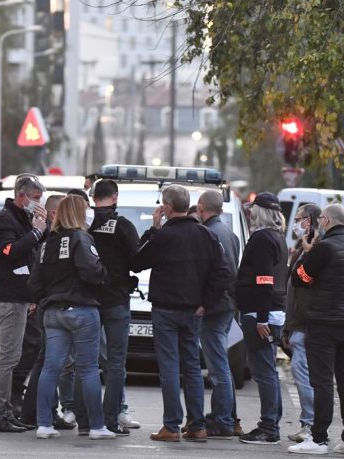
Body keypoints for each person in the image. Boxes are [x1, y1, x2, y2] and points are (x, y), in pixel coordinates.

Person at [132, 184, 231, 442]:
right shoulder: (206, 235)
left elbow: (136, 262)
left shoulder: (163, 236)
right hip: (193, 311)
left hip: (165, 310)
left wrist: (154, 228)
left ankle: (172, 426)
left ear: (166, 207)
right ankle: (197, 425)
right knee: (192, 368)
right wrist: (206, 302)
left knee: (169, 368)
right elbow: (223, 273)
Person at [29, 195, 114, 440]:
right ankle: (97, 426)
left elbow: (34, 283)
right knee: (87, 369)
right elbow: (91, 271)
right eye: (85, 209)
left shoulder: (47, 244)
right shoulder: (81, 237)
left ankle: (44, 424)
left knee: (50, 367)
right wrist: (103, 274)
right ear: (78, 213)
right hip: (81, 310)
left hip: (53, 312)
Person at [288, 204, 344, 455]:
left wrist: (309, 254)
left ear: (329, 221)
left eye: (322, 218)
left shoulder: (325, 248)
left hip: (323, 322)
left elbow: (300, 278)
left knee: (321, 381)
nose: (319, 221)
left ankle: (319, 439)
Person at [0, 175, 47, 433]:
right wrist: (36, 232)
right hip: (9, 296)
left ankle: (7, 411)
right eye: (34, 199)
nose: (37, 203)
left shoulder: (20, 218)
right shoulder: (4, 219)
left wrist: (39, 231)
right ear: (21, 195)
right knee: (9, 357)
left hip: (19, 295)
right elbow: (9, 252)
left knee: (14, 355)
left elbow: (30, 253)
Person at [84, 179, 140, 435]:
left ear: (93, 197)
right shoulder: (123, 226)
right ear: (115, 197)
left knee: (86, 363)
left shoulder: (83, 224)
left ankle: (86, 421)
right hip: (116, 299)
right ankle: (110, 420)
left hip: (86, 300)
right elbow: (138, 261)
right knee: (116, 364)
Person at [235, 192, 287, 445]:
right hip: (271, 311)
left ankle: (268, 427)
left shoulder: (262, 239)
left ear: (260, 212)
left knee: (263, 372)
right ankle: (272, 422)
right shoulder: (277, 237)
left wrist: (262, 319)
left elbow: (264, 279)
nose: (250, 212)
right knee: (268, 372)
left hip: (260, 312)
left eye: (253, 208)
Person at [19, 194, 75, 430]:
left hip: (45, 305)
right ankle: (41, 413)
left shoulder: (47, 239)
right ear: (56, 213)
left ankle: (37, 412)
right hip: (51, 306)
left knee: (46, 362)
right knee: (49, 363)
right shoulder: (52, 240)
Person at [196, 190, 241, 439]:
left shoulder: (210, 233)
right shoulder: (229, 234)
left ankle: (222, 419)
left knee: (217, 367)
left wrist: (205, 302)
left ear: (201, 207)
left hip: (215, 307)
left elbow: (219, 274)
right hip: (226, 305)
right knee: (220, 363)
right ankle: (225, 416)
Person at [282, 203, 321, 443]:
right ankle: (311, 424)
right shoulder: (304, 249)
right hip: (299, 322)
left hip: (305, 324)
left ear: (311, 221)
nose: (296, 223)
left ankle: (311, 425)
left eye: (299, 219)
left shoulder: (315, 250)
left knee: (303, 373)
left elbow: (304, 280)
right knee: (304, 373)